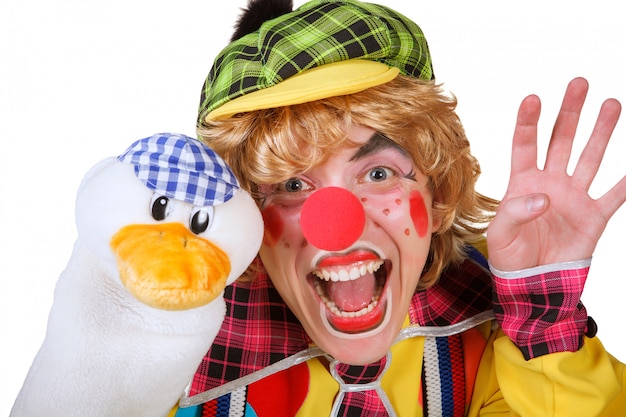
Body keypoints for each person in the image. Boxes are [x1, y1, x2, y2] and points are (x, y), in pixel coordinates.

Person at [173, 0, 626, 415]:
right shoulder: (171, 363)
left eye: (378, 174)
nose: (340, 227)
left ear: (438, 189)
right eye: (292, 183)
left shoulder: (487, 341)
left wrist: (542, 316)